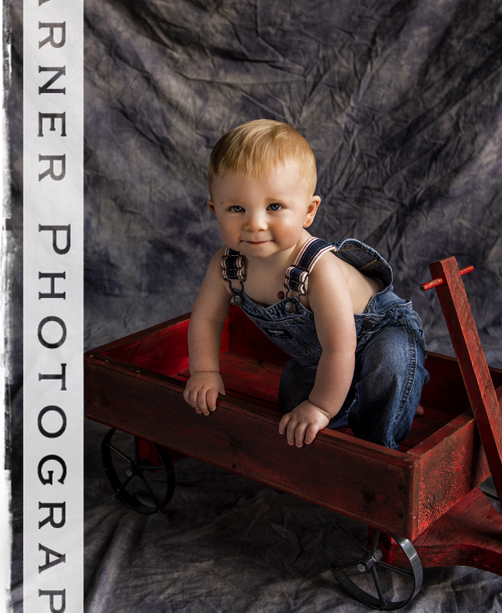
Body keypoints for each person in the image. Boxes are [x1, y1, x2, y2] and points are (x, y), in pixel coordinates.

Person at [183, 119, 429, 449]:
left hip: (379, 330)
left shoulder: (318, 269)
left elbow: (341, 347)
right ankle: (361, 399)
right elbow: (206, 320)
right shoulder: (227, 266)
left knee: (390, 368)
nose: (255, 224)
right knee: (292, 410)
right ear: (215, 210)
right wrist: (204, 372)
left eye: (274, 207)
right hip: (320, 354)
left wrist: (320, 407)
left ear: (308, 212)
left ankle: (381, 449)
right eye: (237, 208)